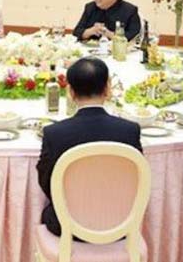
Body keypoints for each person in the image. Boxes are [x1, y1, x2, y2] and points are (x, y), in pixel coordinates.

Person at [36, 57, 142, 237]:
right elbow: (136, 179)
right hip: (120, 223)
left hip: (66, 226)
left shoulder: (55, 134)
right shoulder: (129, 130)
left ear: (70, 92)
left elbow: (47, 182)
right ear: (107, 89)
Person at [72, 0, 140, 42]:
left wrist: (109, 34)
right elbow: (76, 32)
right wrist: (91, 31)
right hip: (90, 48)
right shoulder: (90, 7)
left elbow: (134, 36)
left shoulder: (130, 11)